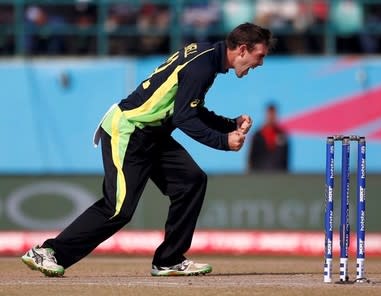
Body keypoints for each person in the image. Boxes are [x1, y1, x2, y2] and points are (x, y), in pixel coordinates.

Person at [21, 22, 274, 277]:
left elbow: (189, 109)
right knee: (118, 209)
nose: (260, 63)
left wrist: (229, 123)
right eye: (259, 56)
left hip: (153, 133)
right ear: (242, 49)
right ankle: (48, 252)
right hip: (129, 130)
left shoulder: (206, 57)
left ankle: (169, 259)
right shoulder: (203, 66)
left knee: (191, 182)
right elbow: (184, 118)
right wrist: (223, 141)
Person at [248, 103, 289, 172]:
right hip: (260, 175)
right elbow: (251, 158)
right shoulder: (258, 135)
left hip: (278, 175)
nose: (271, 117)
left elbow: (285, 160)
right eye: (269, 114)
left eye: (273, 114)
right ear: (266, 115)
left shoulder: (282, 135)